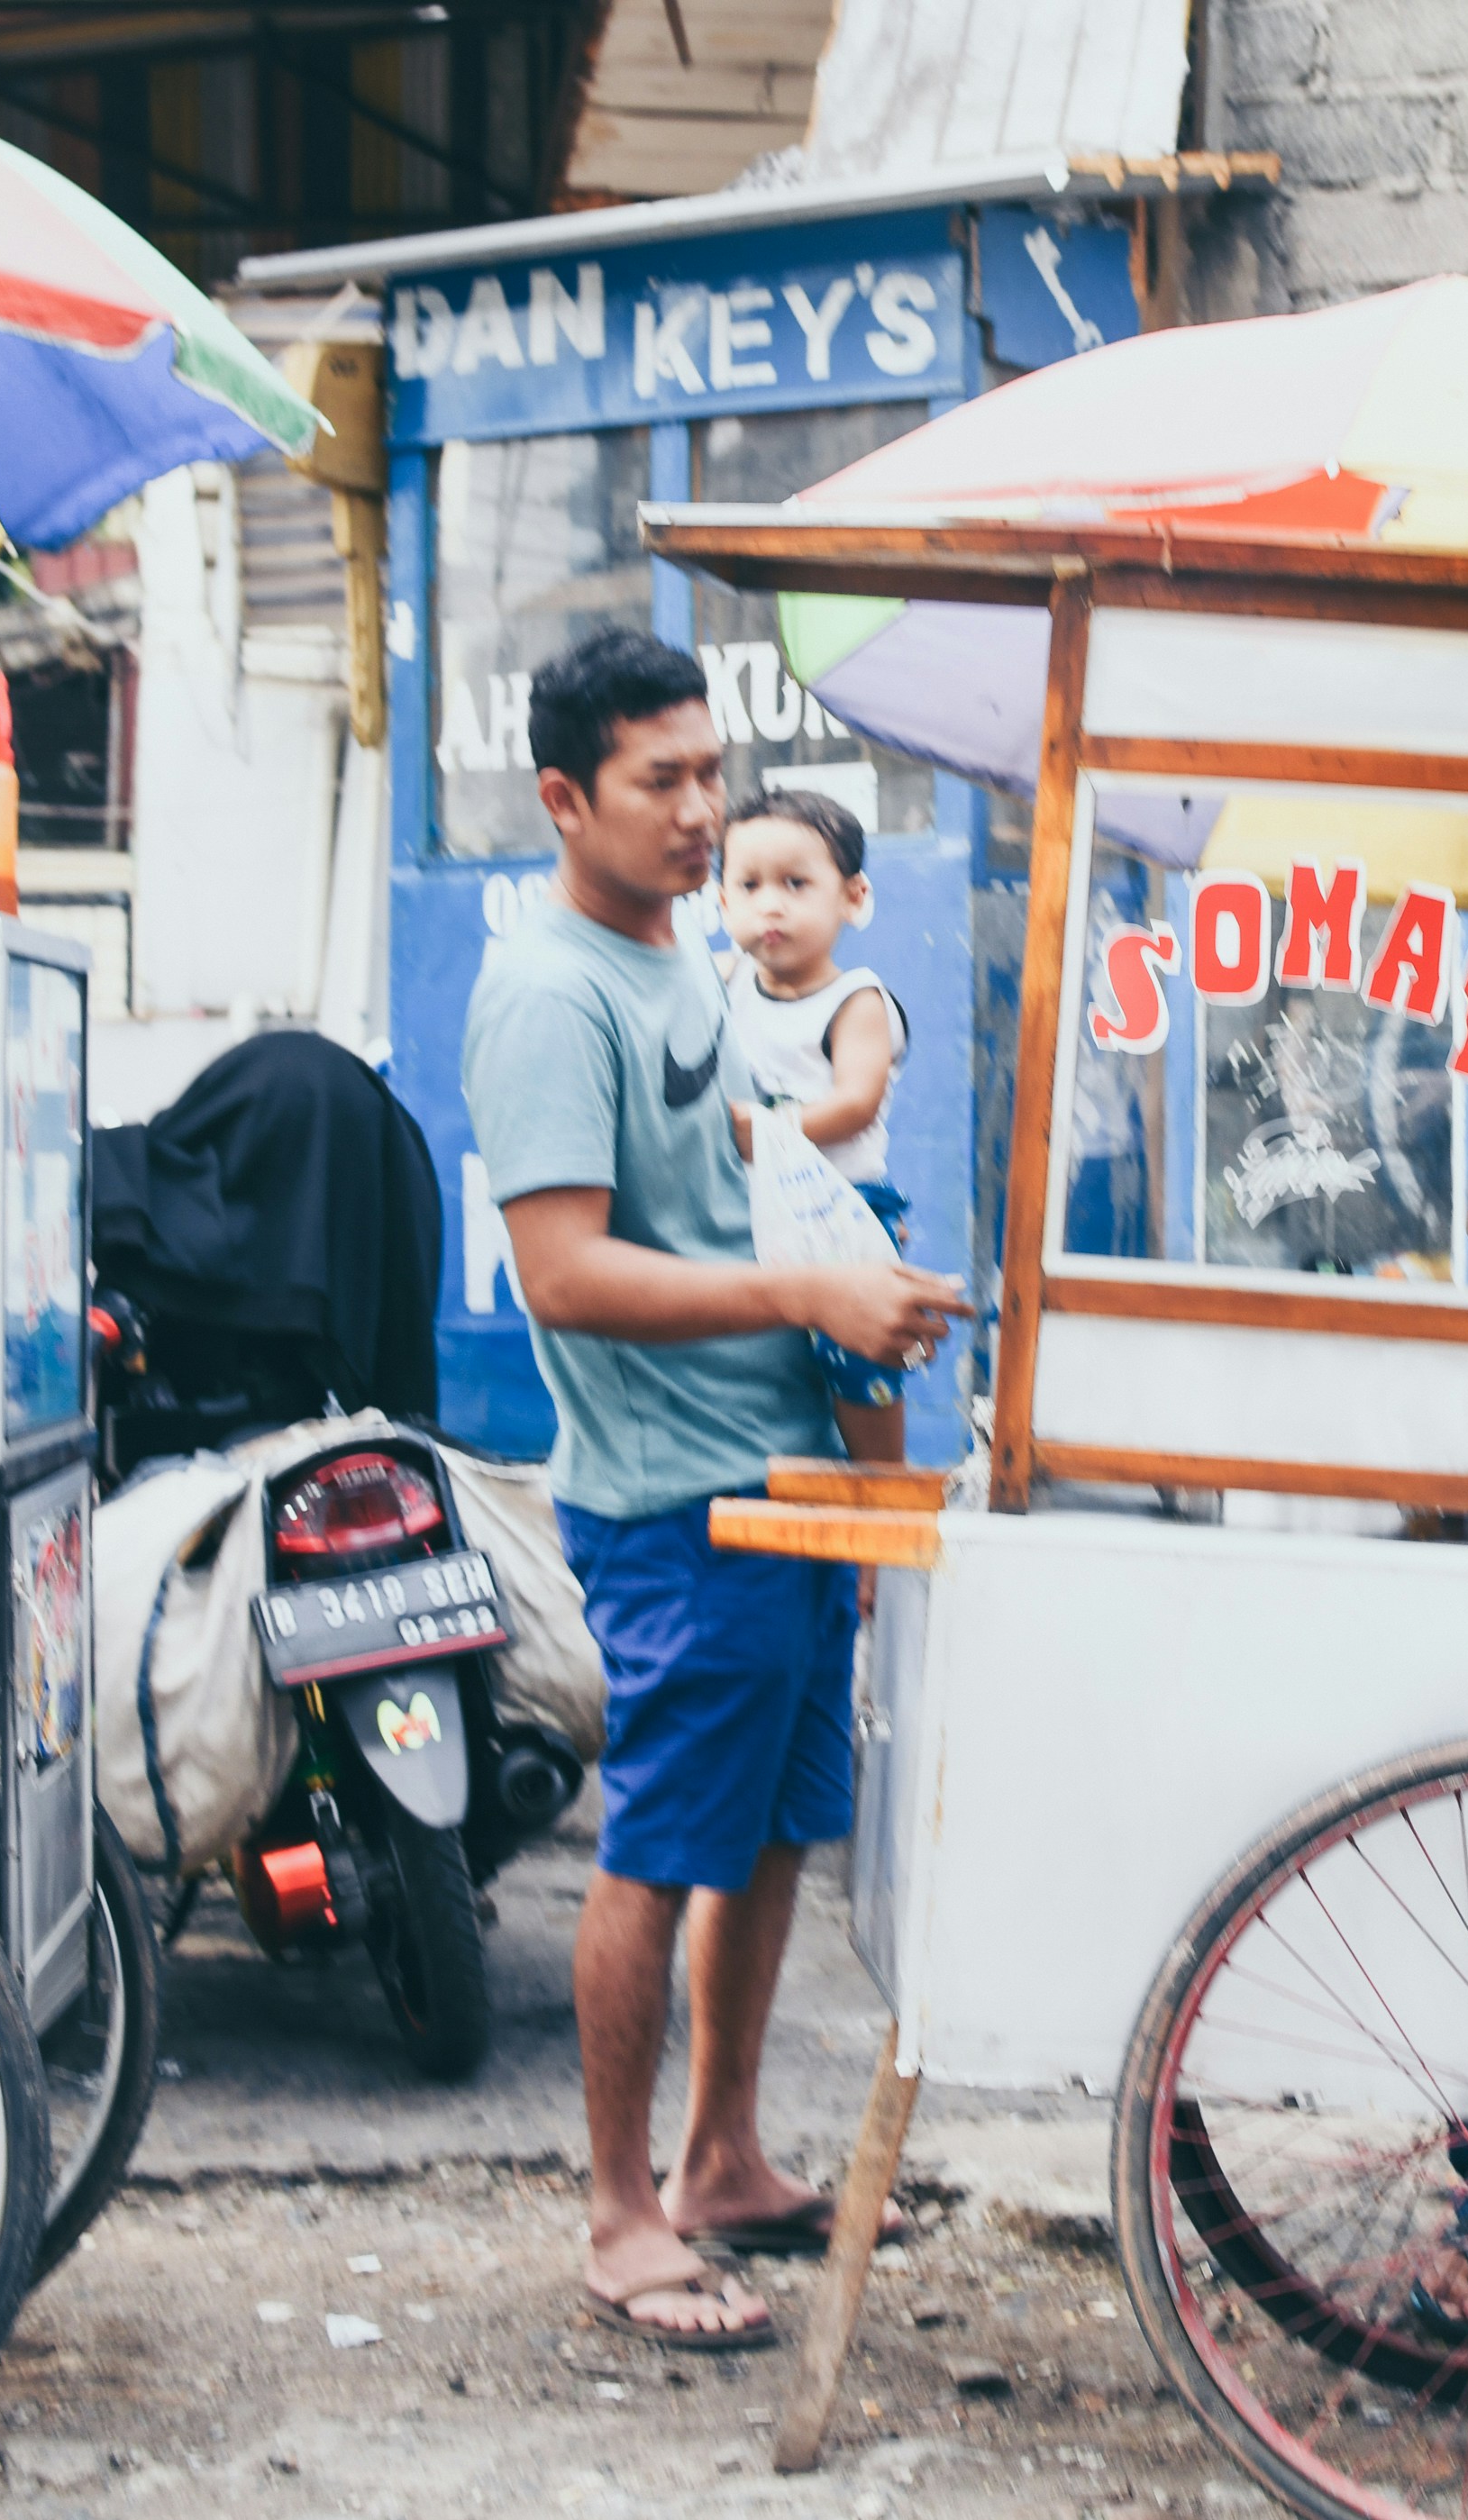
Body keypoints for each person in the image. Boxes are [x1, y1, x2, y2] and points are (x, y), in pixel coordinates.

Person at [460, 631, 969, 2352]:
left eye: (708, 771)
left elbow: (745, 1173)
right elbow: (570, 1273)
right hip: (671, 1492)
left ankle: (725, 2156)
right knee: (664, 1845)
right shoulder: (552, 993)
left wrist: (866, 1278)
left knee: (770, 1831)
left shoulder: (687, 963)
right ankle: (619, 2212)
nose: (701, 811)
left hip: (783, 1461)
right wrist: (801, 1297)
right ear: (562, 799)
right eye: (659, 781)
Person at [716, 786, 913, 1467]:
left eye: (795, 883)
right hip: (762, 1209)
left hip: (844, 1209)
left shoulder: (854, 998)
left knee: (860, 1364)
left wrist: (761, 1128)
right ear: (721, 904)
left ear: (852, 897)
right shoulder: (727, 980)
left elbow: (855, 1103)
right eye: (748, 885)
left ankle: (885, 1486)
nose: (770, 903)